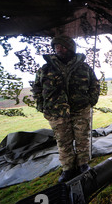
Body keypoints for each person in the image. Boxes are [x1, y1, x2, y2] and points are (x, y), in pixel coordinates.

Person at [33, 35, 100, 183]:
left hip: (80, 109)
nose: (59, 49)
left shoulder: (84, 67)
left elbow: (94, 85)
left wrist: (90, 101)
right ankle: (68, 168)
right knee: (63, 141)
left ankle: (83, 164)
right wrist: (41, 106)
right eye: (56, 47)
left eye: (63, 46)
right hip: (56, 112)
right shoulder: (45, 69)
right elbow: (37, 88)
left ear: (71, 48)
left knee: (83, 138)